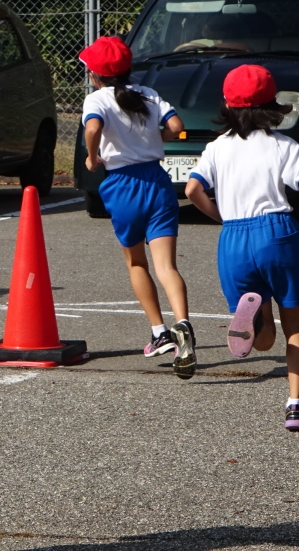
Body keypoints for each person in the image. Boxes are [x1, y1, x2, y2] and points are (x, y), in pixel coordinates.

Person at [184, 64, 299, 432]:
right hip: (277, 233)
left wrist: (220, 216)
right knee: (295, 324)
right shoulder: (283, 145)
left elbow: (192, 190)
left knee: (264, 341)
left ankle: (254, 320)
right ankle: (296, 406)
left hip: (234, 238)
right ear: (272, 106)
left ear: (227, 105)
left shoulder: (216, 148)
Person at [80, 35, 197, 379]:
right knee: (167, 266)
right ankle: (183, 323)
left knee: (136, 262)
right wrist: (156, 140)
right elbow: (176, 126)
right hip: (158, 182)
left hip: (123, 185)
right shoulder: (149, 94)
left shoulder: (96, 99)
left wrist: (91, 157)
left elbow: (93, 127)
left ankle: (159, 332)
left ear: (95, 75)